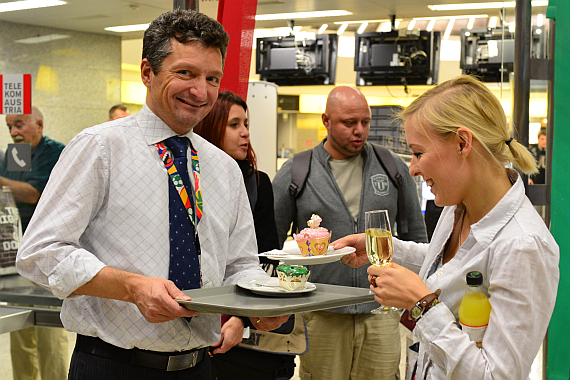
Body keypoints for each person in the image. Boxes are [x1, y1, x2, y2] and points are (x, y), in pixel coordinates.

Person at [16, 9, 288, 380]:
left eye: (212, 78)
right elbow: (40, 253)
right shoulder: (99, 148)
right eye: (185, 73)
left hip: (200, 366)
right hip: (113, 365)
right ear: (147, 72)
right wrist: (131, 287)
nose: (201, 91)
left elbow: (240, 266)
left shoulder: (222, 167)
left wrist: (261, 306)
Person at [336, 75, 560, 380]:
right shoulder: (458, 206)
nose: (413, 168)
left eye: (418, 152)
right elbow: (452, 266)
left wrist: (422, 305)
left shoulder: (523, 245)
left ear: (462, 143)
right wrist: (393, 250)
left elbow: (497, 376)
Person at [272, 86, 428, 380]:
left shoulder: (392, 166)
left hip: (381, 309)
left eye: (365, 122)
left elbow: (415, 235)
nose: (359, 131)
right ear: (326, 121)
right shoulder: (297, 171)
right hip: (322, 312)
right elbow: (270, 241)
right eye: (348, 123)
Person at [194, 91, 298, 380]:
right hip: (190, 318)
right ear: (210, 127)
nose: (245, 133)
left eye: (246, 124)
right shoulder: (188, 178)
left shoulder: (257, 183)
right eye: (234, 125)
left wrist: (242, 318)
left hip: (242, 329)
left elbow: (264, 258)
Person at [1, 106, 68, 380]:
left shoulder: (55, 151)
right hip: (18, 254)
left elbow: (31, 194)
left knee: (49, 331)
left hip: (48, 253)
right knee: (21, 328)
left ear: (39, 124)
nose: (15, 132)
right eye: (10, 127)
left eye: (20, 125)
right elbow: (12, 198)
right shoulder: (18, 154)